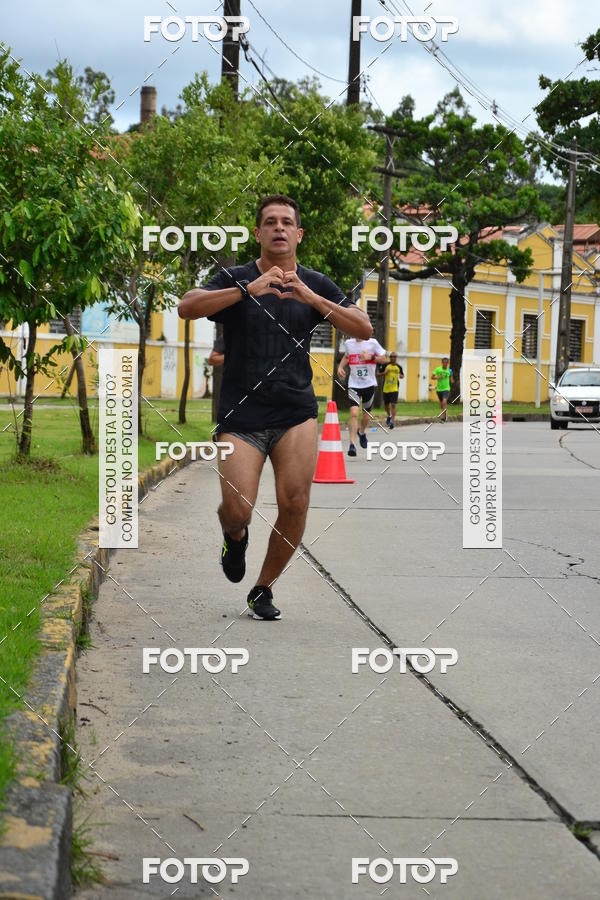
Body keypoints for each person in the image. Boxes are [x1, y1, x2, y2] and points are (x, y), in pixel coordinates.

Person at [178, 194, 371, 620]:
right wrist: (246, 291)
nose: (279, 228)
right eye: (270, 222)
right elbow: (187, 306)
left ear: (298, 234)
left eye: (286, 222)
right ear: (258, 233)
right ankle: (235, 537)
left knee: (295, 502)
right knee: (237, 510)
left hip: (295, 411)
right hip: (241, 416)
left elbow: (363, 327)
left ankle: (262, 589)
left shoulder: (315, 283)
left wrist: (313, 299)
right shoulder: (236, 278)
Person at [337, 336, 387, 455]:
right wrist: (340, 367)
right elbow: (347, 356)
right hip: (354, 384)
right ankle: (352, 445)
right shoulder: (349, 343)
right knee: (354, 413)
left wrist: (371, 357)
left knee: (366, 416)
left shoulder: (373, 343)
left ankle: (362, 432)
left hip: (369, 384)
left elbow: (384, 359)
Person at [382, 352, 404, 428]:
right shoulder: (385, 365)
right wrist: (385, 373)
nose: (393, 358)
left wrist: (401, 376)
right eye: (391, 356)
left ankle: (392, 421)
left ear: (396, 358)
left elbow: (402, 375)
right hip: (386, 388)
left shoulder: (399, 367)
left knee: (393, 404)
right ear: (390, 357)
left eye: (394, 357)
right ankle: (389, 416)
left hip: (395, 388)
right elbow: (378, 374)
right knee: (386, 406)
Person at [431, 356, 453, 422]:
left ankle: (444, 417)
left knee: (444, 401)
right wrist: (438, 377)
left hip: (446, 389)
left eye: (446, 363)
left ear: (448, 363)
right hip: (439, 389)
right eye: (444, 363)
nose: (445, 364)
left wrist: (452, 381)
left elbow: (451, 379)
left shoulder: (449, 370)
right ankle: (445, 412)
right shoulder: (438, 369)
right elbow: (432, 377)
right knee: (442, 404)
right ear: (442, 363)